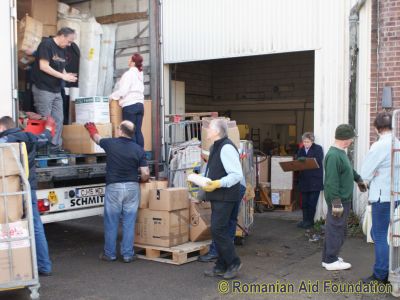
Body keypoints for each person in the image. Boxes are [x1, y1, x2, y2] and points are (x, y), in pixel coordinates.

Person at [84, 120, 149, 262]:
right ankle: (127, 254)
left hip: (114, 187)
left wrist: (91, 129)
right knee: (129, 222)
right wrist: (141, 181)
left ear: (120, 131)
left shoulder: (110, 143)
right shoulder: (139, 149)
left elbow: (96, 138)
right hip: (132, 187)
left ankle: (110, 254)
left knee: (111, 221)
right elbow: (145, 172)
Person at [0, 116, 55, 276]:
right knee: (35, 227)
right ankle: (44, 266)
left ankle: (13, 268)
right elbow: (45, 138)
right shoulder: (29, 137)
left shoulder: (7, 139)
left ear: (2, 128)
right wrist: (49, 128)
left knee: (10, 225)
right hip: (29, 187)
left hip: (12, 191)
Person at [201, 119, 244, 279]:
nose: (207, 130)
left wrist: (218, 183)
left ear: (217, 131)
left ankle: (234, 262)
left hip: (226, 196)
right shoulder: (215, 147)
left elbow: (236, 174)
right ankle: (221, 265)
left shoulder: (226, 147)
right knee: (219, 230)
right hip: (218, 196)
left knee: (218, 230)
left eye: (210, 128)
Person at [322, 124, 368, 271]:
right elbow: (331, 181)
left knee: (336, 229)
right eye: (351, 139)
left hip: (343, 199)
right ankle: (331, 260)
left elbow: (349, 169)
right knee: (336, 229)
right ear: (346, 139)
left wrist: (359, 179)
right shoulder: (334, 155)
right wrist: (335, 202)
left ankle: (328, 257)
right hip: (339, 200)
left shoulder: (341, 153)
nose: (352, 141)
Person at [361, 112, 398, 284]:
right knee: (379, 232)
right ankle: (387, 268)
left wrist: (373, 174)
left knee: (379, 234)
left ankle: (381, 274)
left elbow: (364, 174)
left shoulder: (378, 146)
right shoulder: (397, 143)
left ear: (376, 128)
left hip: (382, 196)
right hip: (395, 194)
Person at [31, 27, 78, 153]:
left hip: (56, 90)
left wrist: (67, 75)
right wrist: (63, 76)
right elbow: (44, 66)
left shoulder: (63, 50)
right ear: (62, 36)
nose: (69, 44)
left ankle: (54, 147)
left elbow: (60, 67)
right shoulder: (46, 45)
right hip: (43, 89)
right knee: (46, 120)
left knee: (58, 119)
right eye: (69, 41)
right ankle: (43, 149)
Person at [198, 178, 246, 262]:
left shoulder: (212, 164)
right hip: (239, 186)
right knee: (231, 220)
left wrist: (199, 198)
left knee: (219, 221)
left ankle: (215, 251)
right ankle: (228, 252)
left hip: (228, 189)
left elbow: (206, 181)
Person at [110, 53, 145, 148]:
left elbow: (123, 91)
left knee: (129, 132)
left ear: (133, 62)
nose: (128, 61)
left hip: (130, 106)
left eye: (130, 59)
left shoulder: (129, 74)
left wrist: (112, 97)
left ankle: (132, 155)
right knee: (138, 131)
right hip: (140, 106)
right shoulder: (140, 75)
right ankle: (140, 154)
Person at [296, 132, 324, 229]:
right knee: (304, 203)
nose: (306, 144)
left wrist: (306, 159)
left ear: (312, 141)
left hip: (315, 180)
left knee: (312, 203)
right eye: (304, 142)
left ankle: (310, 221)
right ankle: (304, 220)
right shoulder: (301, 149)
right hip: (304, 180)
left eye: (308, 142)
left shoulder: (318, 149)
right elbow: (297, 160)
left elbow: (319, 160)